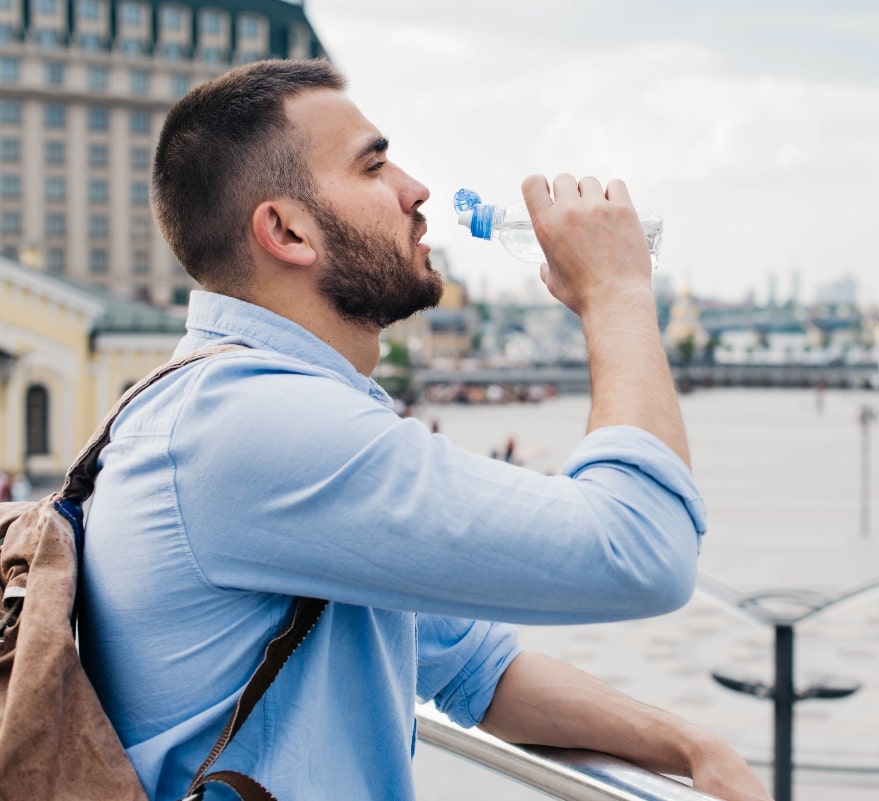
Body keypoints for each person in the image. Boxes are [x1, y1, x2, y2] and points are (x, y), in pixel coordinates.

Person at [78, 58, 770, 801]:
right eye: (373, 166)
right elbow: (643, 548)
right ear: (286, 229)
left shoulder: (247, 408)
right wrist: (619, 292)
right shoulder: (252, 426)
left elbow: (475, 668)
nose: (416, 189)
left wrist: (688, 743)